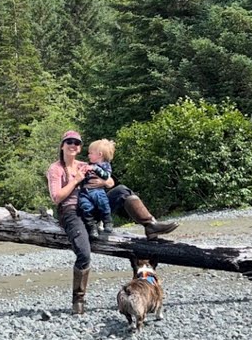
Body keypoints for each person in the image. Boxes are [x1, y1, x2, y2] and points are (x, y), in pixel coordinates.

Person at [46, 130, 178, 314]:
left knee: (122, 190)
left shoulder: (84, 165)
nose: (73, 145)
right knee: (84, 254)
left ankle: (150, 225)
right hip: (71, 212)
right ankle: (78, 301)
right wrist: (76, 180)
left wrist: (99, 183)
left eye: (77, 142)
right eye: (69, 142)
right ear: (62, 145)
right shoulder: (55, 169)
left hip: (93, 207)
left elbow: (110, 182)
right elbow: (56, 197)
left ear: (80, 147)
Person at [79, 139, 116, 239]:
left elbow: (106, 176)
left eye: (91, 153)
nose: (88, 155)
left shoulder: (105, 165)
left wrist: (95, 168)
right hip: (85, 192)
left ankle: (107, 222)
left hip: (98, 191)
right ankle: (92, 227)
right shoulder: (89, 165)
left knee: (103, 204)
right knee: (86, 207)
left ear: (99, 154)